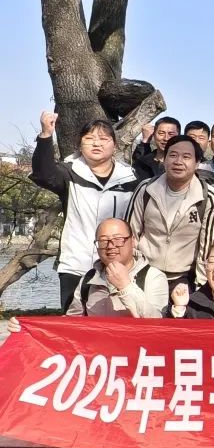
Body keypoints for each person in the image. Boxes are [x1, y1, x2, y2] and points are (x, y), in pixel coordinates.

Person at [30, 111, 139, 310]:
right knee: (74, 321)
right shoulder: (69, 172)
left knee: (116, 319)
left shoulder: (131, 178)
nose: (96, 144)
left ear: (114, 146)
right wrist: (46, 135)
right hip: (76, 264)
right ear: (80, 145)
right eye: (89, 139)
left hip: (118, 266)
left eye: (104, 139)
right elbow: (43, 174)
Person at [127, 135, 214, 289]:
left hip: (184, 279)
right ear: (164, 160)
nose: (178, 161)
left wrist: (201, 285)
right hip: (144, 274)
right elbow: (130, 234)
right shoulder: (146, 189)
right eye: (173, 155)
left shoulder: (208, 197)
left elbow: (208, 246)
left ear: (197, 163)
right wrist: (129, 273)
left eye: (186, 157)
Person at [66, 218, 170, 318]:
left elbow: (156, 322)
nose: (110, 246)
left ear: (133, 241)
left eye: (118, 239)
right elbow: (72, 322)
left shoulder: (153, 277)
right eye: (103, 240)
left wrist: (125, 286)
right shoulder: (88, 279)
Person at [133, 116, 180, 181]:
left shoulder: (182, 164)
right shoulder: (143, 163)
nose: (166, 138)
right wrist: (146, 140)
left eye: (171, 134)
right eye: (161, 133)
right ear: (154, 135)